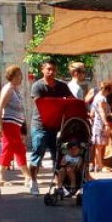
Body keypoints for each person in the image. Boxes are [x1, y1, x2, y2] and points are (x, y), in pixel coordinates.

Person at [28, 60, 74, 194]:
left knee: (58, 156)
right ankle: (33, 181)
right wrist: (59, 103)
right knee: (37, 154)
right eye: (48, 69)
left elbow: (72, 100)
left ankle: (59, 184)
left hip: (57, 126)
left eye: (53, 69)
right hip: (40, 125)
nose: (51, 72)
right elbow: (40, 104)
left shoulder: (62, 86)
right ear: (42, 69)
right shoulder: (37, 86)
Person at [0, 65, 35, 190]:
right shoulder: (8, 89)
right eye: (19, 75)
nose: (21, 77)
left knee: (15, 149)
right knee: (13, 148)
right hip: (8, 124)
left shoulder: (14, 89)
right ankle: (23, 176)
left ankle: (24, 176)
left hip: (15, 124)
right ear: (13, 76)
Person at [90, 80, 112, 172]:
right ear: (108, 90)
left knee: (98, 146)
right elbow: (102, 111)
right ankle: (100, 166)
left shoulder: (96, 97)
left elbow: (92, 113)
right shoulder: (102, 99)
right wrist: (106, 123)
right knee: (99, 146)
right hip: (101, 124)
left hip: (96, 123)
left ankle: (98, 165)